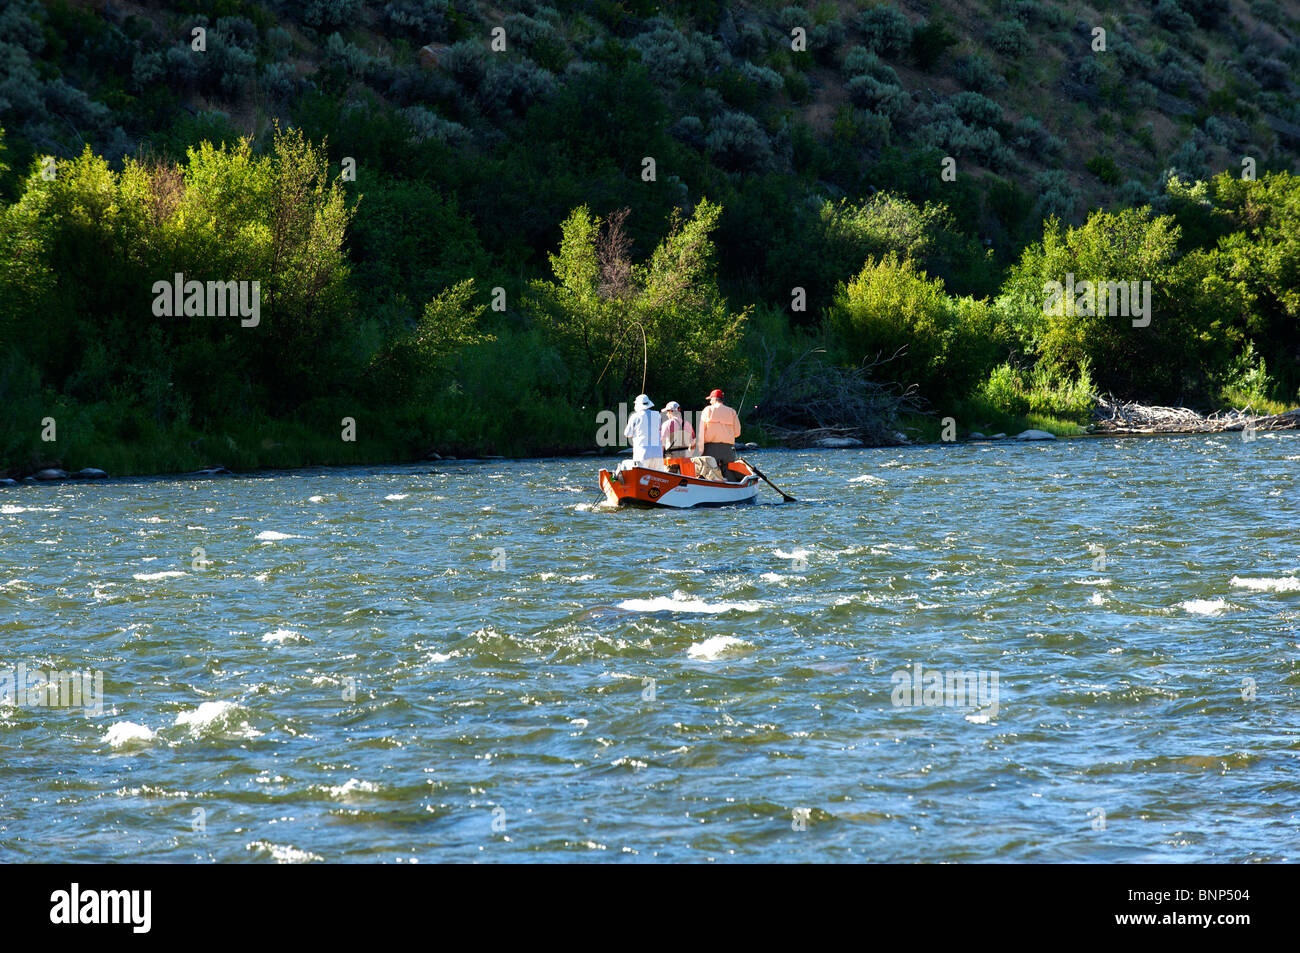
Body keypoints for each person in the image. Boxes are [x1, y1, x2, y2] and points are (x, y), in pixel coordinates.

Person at [697, 388, 742, 480]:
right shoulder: (732, 412)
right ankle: (731, 488)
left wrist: (699, 450)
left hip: (710, 449)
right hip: (728, 450)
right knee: (727, 470)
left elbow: (701, 432)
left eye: (710, 399)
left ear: (714, 399)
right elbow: (737, 433)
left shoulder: (707, 410)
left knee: (707, 472)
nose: (710, 401)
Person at [623, 393, 664, 470]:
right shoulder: (657, 415)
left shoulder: (634, 416)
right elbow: (659, 428)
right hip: (658, 454)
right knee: (658, 479)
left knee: (642, 480)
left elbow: (627, 434)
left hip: (642, 454)